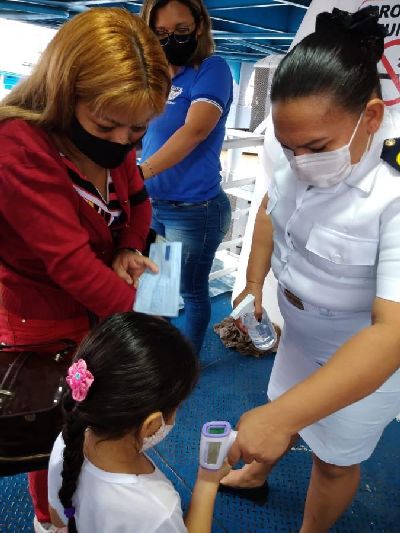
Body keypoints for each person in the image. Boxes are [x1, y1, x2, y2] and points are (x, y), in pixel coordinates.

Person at [221, 7, 400, 533]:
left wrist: (280, 420)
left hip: (361, 357)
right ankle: (257, 474)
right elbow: (269, 211)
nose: (300, 160)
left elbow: (392, 332)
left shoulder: (392, 195)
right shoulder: (297, 150)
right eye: (289, 146)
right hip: (299, 334)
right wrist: (253, 284)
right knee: (283, 401)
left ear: (370, 117)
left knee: (334, 459)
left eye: (316, 148)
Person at [0, 8, 170, 531]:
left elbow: (138, 202)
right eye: (106, 125)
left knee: (83, 415)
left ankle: (72, 500)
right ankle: (49, 519)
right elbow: (71, 264)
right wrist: (149, 323)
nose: (122, 140)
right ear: (64, 92)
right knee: (50, 426)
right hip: (41, 318)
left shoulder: (116, 137)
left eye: (138, 129)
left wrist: (128, 247)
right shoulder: (18, 149)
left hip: (97, 307)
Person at [47, 312, 230, 532]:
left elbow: (57, 517)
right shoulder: (157, 512)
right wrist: (207, 482)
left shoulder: (65, 441)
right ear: (151, 425)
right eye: (178, 408)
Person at [139, 0, 233, 353]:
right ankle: (155, 359)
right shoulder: (160, 78)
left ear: (199, 27)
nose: (171, 39)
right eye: (161, 33)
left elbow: (195, 131)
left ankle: (187, 365)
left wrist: (140, 173)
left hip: (195, 210)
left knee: (190, 291)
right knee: (156, 288)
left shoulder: (212, 68)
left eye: (181, 30)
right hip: (156, 205)